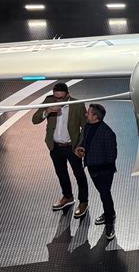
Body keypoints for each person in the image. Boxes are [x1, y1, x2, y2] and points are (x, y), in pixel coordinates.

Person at [31, 82, 90, 219]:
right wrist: (47, 111)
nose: (58, 101)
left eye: (61, 98)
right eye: (56, 97)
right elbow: (35, 120)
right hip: (55, 146)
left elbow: (86, 127)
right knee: (61, 173)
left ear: (67, 95)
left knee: (79, 175)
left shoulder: (77, 105)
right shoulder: (49, 101)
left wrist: (80, 146)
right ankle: (67, 196)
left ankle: (83, 202)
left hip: (72, 147)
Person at [75, 103, 118, 240]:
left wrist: (95, 160)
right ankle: (110, 213)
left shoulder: (108, 133)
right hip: (92, 169)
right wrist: (81, 148)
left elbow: (111, 156)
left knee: (105, 195)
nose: (86, 114)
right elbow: (85, 142)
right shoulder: (87, 127)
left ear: (95, 116)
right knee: (103, 194)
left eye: (88, 113)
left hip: (104, 172)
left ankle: (110, 223)